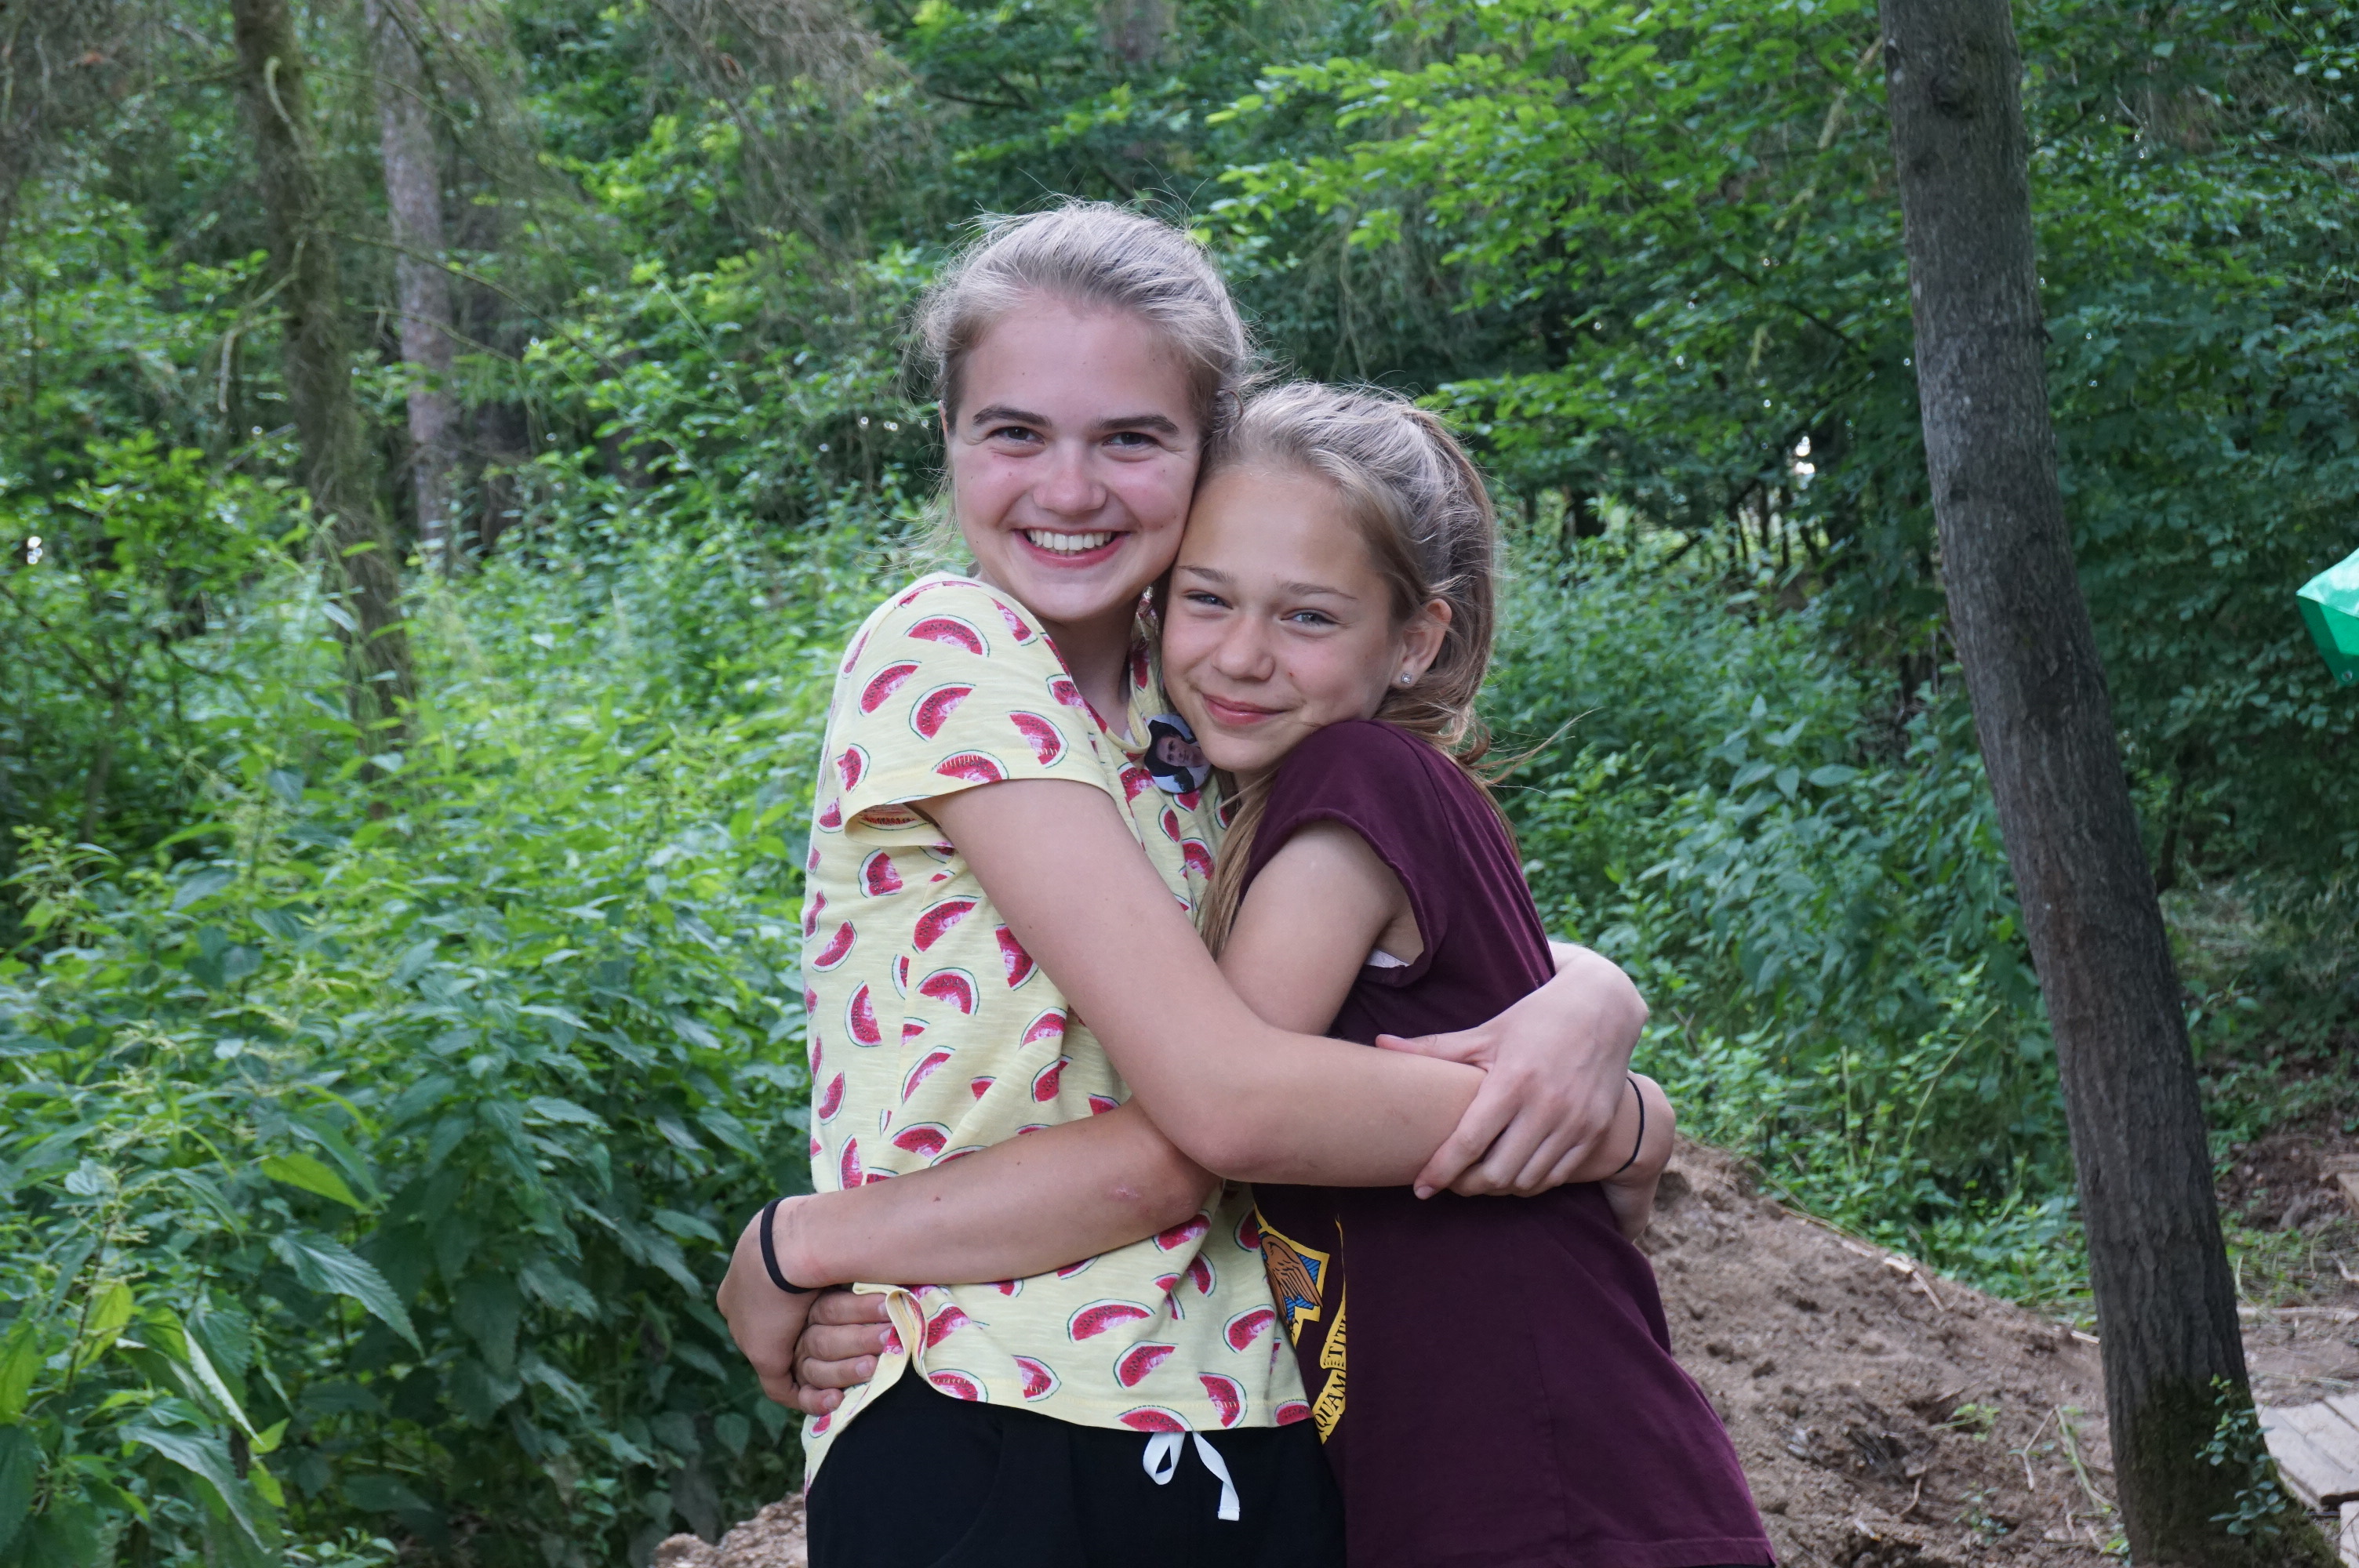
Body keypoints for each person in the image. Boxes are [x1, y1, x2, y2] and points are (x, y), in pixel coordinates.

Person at [711, 203, 1652, 1568]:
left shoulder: (1215, 701)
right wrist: (1610, 1122)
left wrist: (1593, 1000)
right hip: (990, 1399)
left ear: (1210, 452)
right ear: (948, 436)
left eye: (1132, 439)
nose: (1069, 489)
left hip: (1268, 1413)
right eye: (1014, 432)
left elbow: (1409, 959)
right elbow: (1216, 1112)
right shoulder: (949, 649)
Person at [1162, 383, 1772, 1567]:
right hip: (1544, 1475)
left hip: (1550, 1494)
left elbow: (1215, 1103)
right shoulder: (1393, 800)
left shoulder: (1352, 781)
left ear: (1415, 640)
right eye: (1207, 597)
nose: (1241, 654)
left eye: (1308, 616)